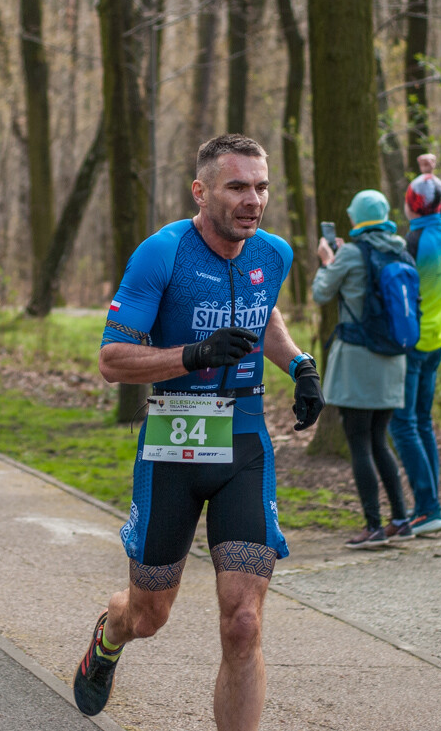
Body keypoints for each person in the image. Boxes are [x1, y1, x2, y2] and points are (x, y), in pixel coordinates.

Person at [72, 134, 323, 730]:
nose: (252, 199)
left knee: (244, 623)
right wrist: (193, 354)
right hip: (173, 444)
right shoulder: (162, 254)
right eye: (237, 186)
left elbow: (264, 318)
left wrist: (300, 365)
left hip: (244, 445)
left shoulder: (274, 254)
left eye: (261, 187)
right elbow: (112, 360)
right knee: (148, 615)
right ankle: (109, 636)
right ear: (201, 191)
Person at [311, 189, 412, 549]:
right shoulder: (400, 250)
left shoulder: (352, 254)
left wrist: (327, 260)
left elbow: (322, 293)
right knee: (379, 440)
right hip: (393, 360)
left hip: (357, 361)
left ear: (358, 218)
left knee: (359, 443)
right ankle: (400, 519)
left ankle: (373, 526)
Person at [388, 166, 441, 535]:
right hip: (437, 339)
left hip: (413, 343)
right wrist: (429, 174)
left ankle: (428, 507)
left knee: (402, 425)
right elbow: (437, 208)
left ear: (411, 206)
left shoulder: (411, 243)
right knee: (422, 422)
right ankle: (431, 504)